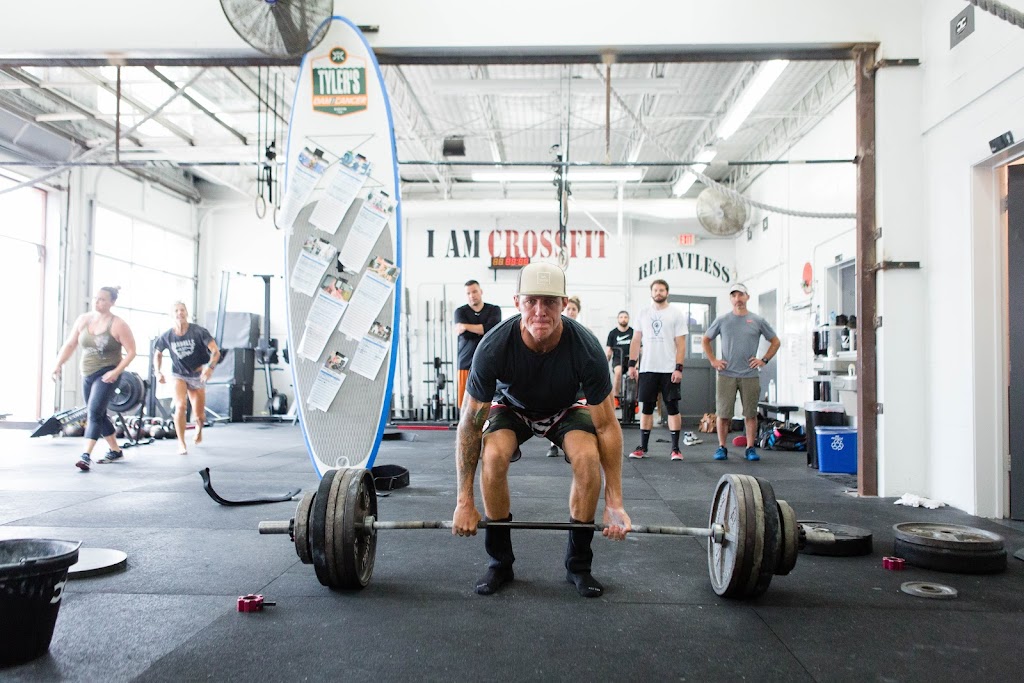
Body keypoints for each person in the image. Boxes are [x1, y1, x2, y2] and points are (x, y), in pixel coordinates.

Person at [452, 263, 631, 598]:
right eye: (532, 301)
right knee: (493, 456)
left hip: (564, 407)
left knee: (588, 458)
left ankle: (578, 565)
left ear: (564, 304)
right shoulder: (493, 347)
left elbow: (607, 426)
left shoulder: (586, 348)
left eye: (549, 302)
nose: (540, 312)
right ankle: (499, 564)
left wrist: (615, 500)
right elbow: (470, 424)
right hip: (513, 407)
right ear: (517, 301)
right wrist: (464, 501)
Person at [51, 286, 137, 471]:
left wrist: (116, 372)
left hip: (108, 373)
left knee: (93, 412)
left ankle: (85, 455)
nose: (97, 302)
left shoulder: (118, 324)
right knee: (98, 413)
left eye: (103, 299)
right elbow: (71, 344)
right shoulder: (84, 320)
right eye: (96, 298)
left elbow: (131, 352)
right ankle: (115, 449)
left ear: (112, 302)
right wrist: (58, 364)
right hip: (87, 373)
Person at [702, 283, 781, 462]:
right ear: (731, 299)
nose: (738, 299)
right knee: (723, 414)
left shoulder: (757, 320)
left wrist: (764, 360)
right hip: (726, 374)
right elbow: (706, 339)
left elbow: (775, 341)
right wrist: (714, 360)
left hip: (750, 375)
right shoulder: (723, 320)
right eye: (734, 295)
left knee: (750, 414)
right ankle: (722, 447)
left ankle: (750, 448)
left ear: (747, 297)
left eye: (741, 295)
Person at [626, 279, 688, 461]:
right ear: (651, 292)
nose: (658, 292)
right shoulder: (643, 313)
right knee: (646, 409)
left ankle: (676, 449)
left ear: (667, 292)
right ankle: (643, 448)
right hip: (647, 368)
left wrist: (679, 368)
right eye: (655, 290)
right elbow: (636, 340)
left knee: (672, 408)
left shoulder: (676, 313)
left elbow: (681, 344)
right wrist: (632, 363)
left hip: (669, 369)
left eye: (662, 290)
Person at [153, 302, 221, 455]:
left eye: (182, 310)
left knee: (199, 415)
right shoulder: (167, 336)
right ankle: (181, 443)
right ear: (172, 315)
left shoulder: (198, 332)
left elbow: (215, 351)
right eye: (176, 310)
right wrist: (158, 372)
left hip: (198, 374)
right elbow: (157, 354)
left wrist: (209, 368)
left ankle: (199, 429)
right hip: (179, 375)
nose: (179, 313)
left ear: (186, 312)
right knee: (181, 406)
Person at [453, 280, 502, 411]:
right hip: (465, 362)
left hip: (490, 361)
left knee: (489, 403)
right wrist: (483, 329)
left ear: (481, 291)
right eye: (468, 293)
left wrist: (466, 327)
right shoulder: (460, 311)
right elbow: (466, 335)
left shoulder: (494, 309)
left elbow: (492, 329)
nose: (472, 295)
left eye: (474, 291)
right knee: (464, 405)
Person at [546, 295, 583, 458]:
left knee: (573, 411)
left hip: (574, 376)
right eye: (569, 309)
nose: (571, 311)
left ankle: (571, 446)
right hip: (556, 374)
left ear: (577, 312)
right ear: (563, 309)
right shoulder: (552, 329)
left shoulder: (582, 332)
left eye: (574, 309)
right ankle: (553, 445)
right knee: (554, 408)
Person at [605, 310, 634, 406]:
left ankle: (634, 401)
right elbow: (609, 351)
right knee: (618, 373)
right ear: (618, 319)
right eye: (621, 317)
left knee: (635, 375)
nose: (623, 319)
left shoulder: (633, 332)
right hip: (618, 359)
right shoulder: (613, 333)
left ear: (628, 319)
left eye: (625, 317)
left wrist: (637, 364)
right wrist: (605, 364)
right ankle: (616, 399)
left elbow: (639, 349)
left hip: (631, 359)